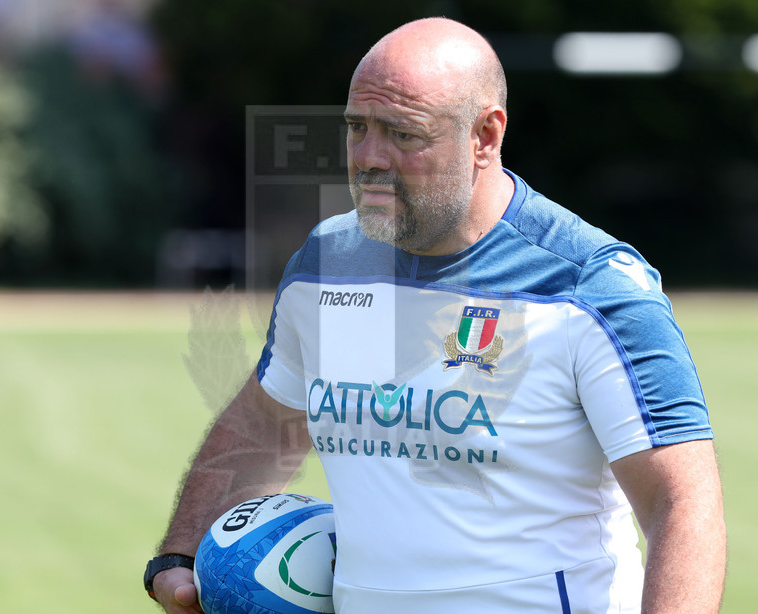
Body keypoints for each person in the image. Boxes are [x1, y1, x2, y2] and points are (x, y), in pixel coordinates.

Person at [145, 18, 726, 613]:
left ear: (484, 136)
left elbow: (682, 504)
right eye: (357, 128)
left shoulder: (589, 286)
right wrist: (180, 553)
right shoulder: (328, 264)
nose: (369, 157)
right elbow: (267, 422)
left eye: (402, 133)